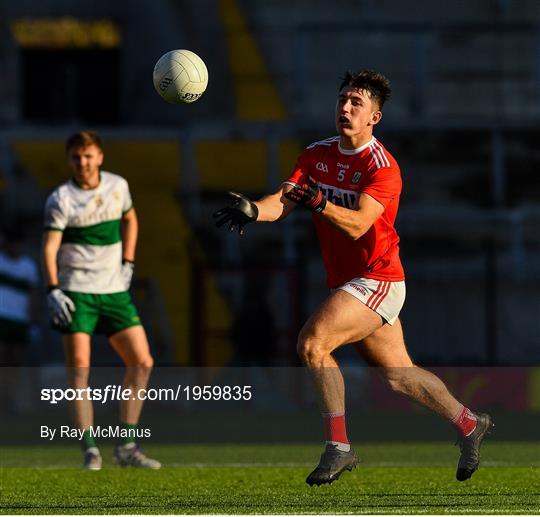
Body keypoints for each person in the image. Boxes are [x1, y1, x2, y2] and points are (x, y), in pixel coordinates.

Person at [213, 70, 493, 486]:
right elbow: (284, 200)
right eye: (342, 99)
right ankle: (470, 423)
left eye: (355, 103)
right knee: (398, 376)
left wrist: (320, 202)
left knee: (313, 343)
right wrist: (255, 210)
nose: (345, 108)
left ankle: (339, 447)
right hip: (349, 282)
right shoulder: (316, 154)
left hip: (378, 278)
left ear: (373, 118)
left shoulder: (383, 167)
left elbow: (359, 224)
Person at [42, 130, 160, 470]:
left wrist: (129, 263)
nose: (83, 162)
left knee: (142, 362)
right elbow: (49, 248)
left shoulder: (117, 186)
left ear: (100, 157)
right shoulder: (60, 199)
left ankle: (126, 446)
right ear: (69, 160)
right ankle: (90, 449)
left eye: (89, 155)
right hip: (77, 290)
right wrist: (53, 289)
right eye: (77, 157)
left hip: (114, 290)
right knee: (79, 369)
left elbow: (130, 219)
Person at [0, 225, 40, 411]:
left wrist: (32, 322)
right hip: (2, 317)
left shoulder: (28, 267)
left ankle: (9, 399)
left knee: (14, 362)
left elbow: (33, 296)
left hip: (19, 320)